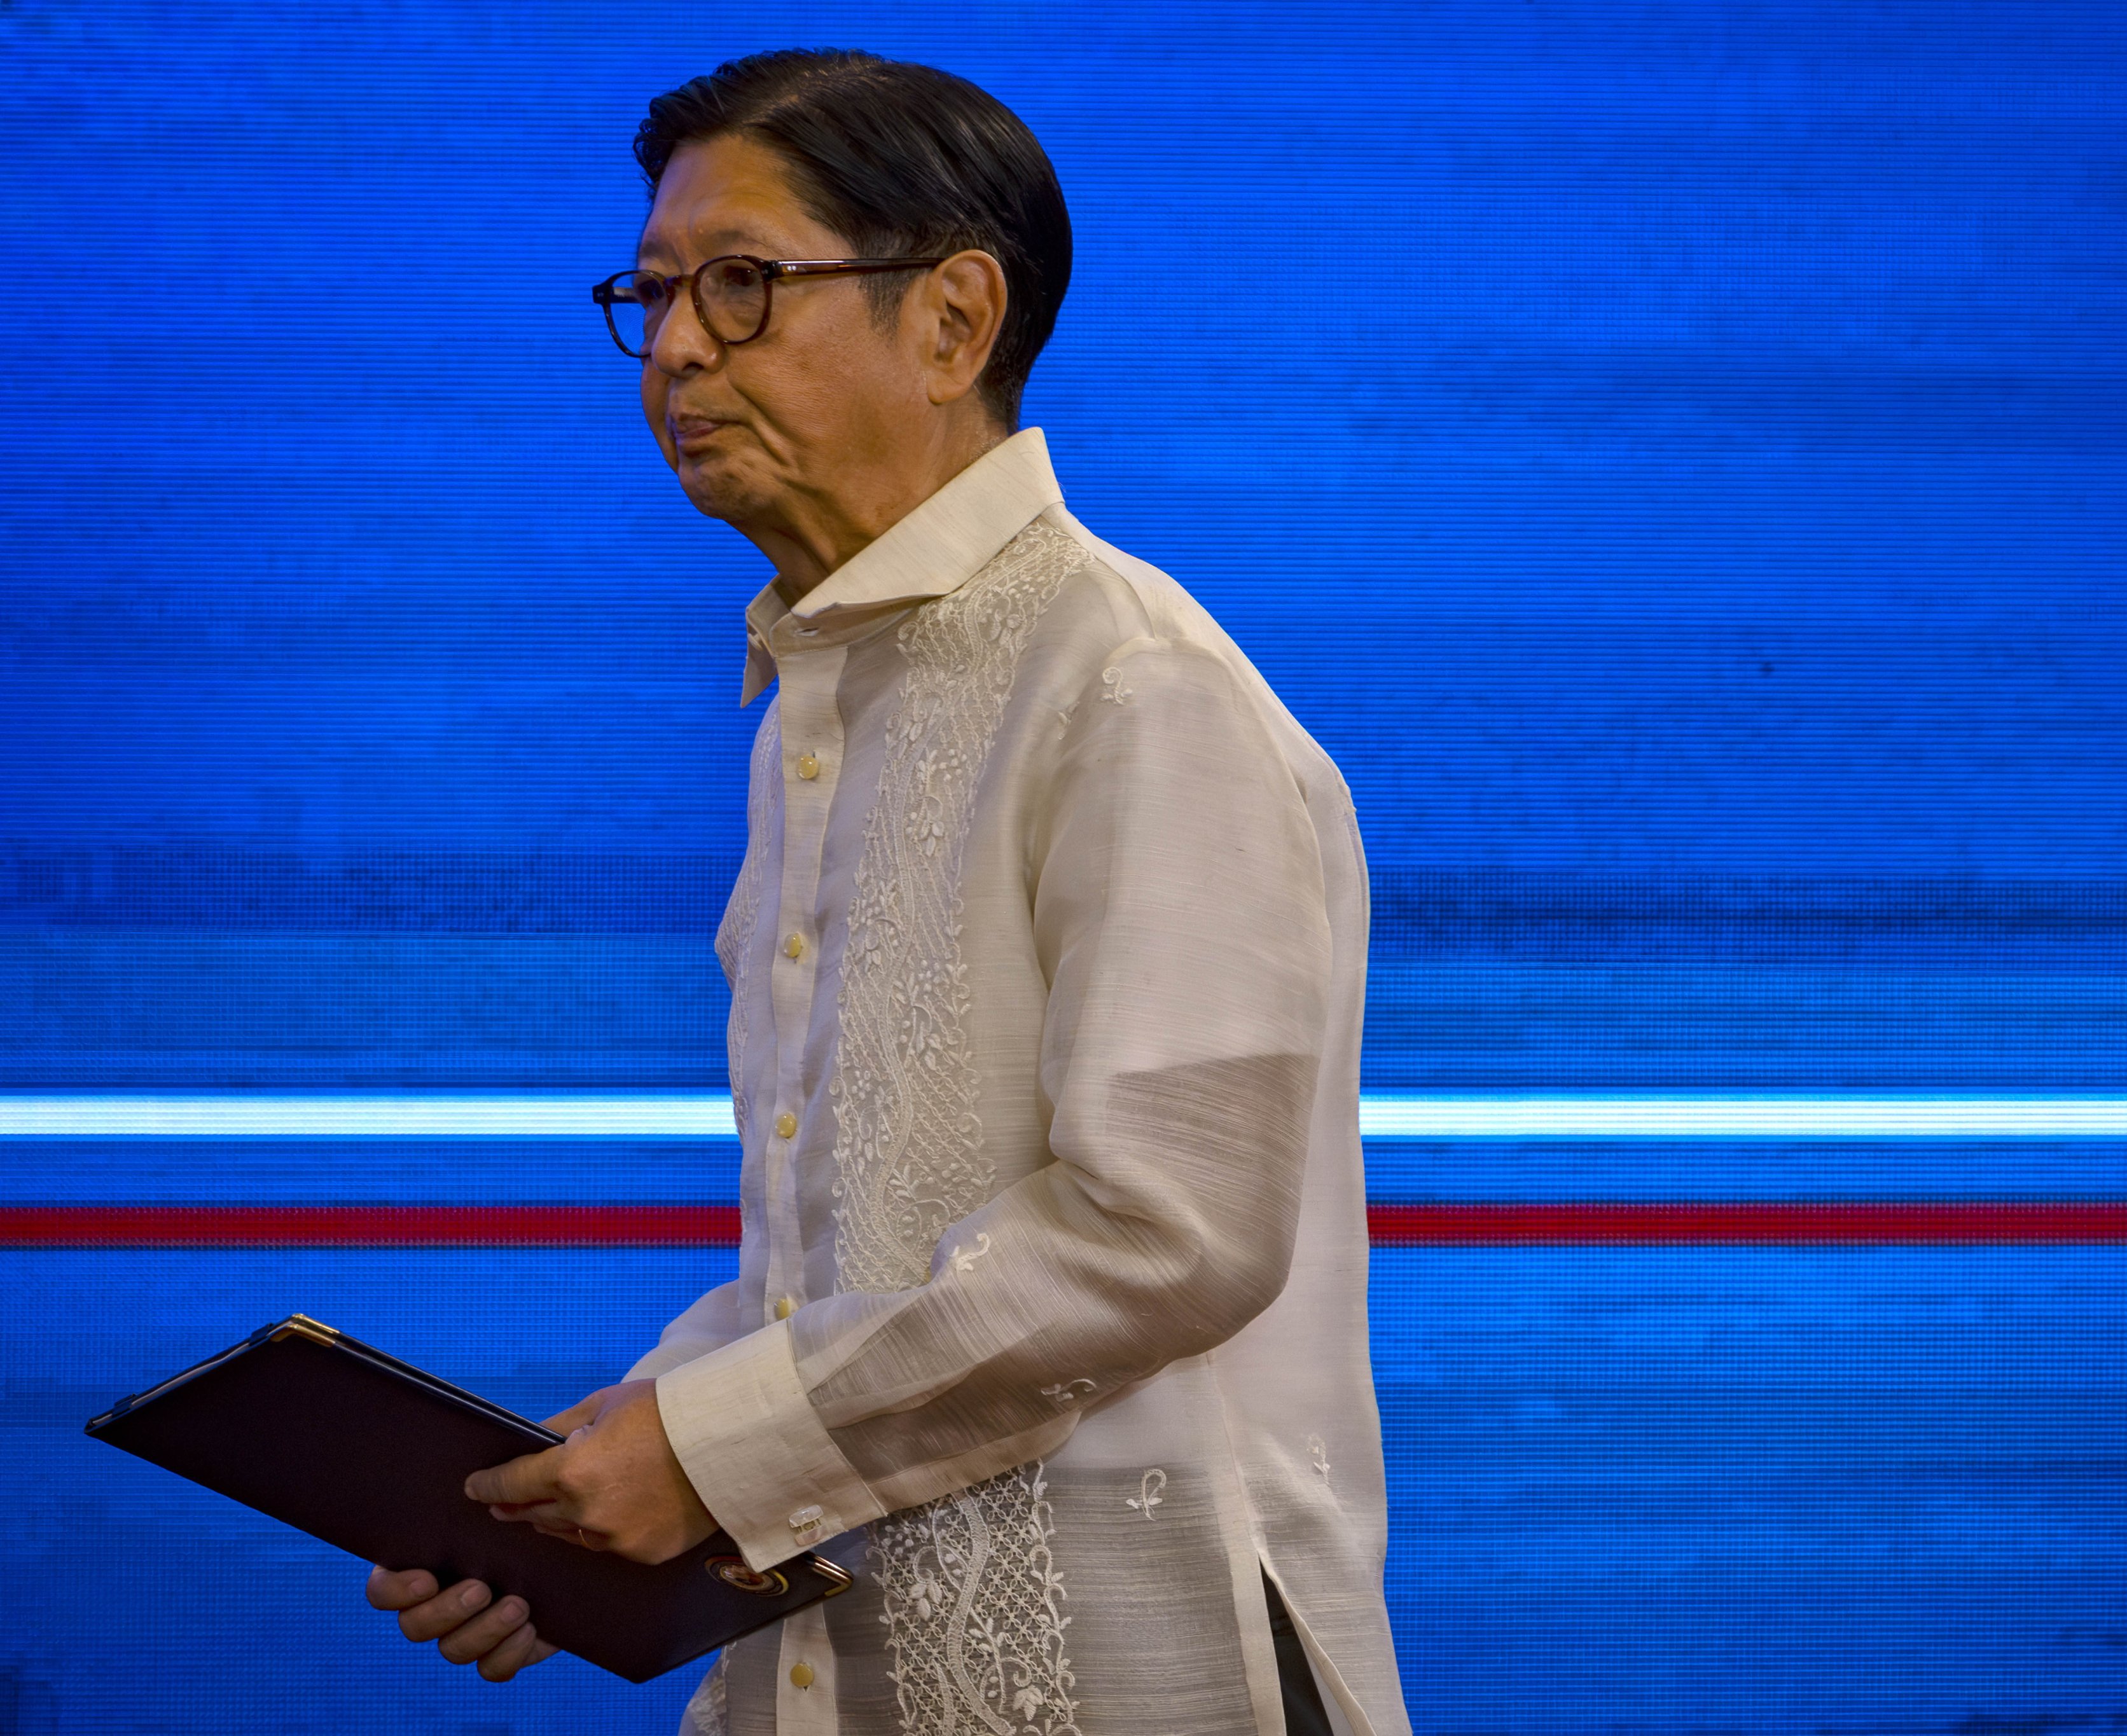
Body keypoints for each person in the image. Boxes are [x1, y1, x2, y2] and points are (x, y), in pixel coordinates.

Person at [362, 50, 1411, 1736]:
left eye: (743, 285)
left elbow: (1170, 1231)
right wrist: (590, 1482)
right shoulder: (822, 695)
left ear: (954, 319)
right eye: (652, 296)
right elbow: (834, 1263)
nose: (681, 347)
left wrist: (706, 1451)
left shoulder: (1134, 684)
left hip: (1143, 1675)